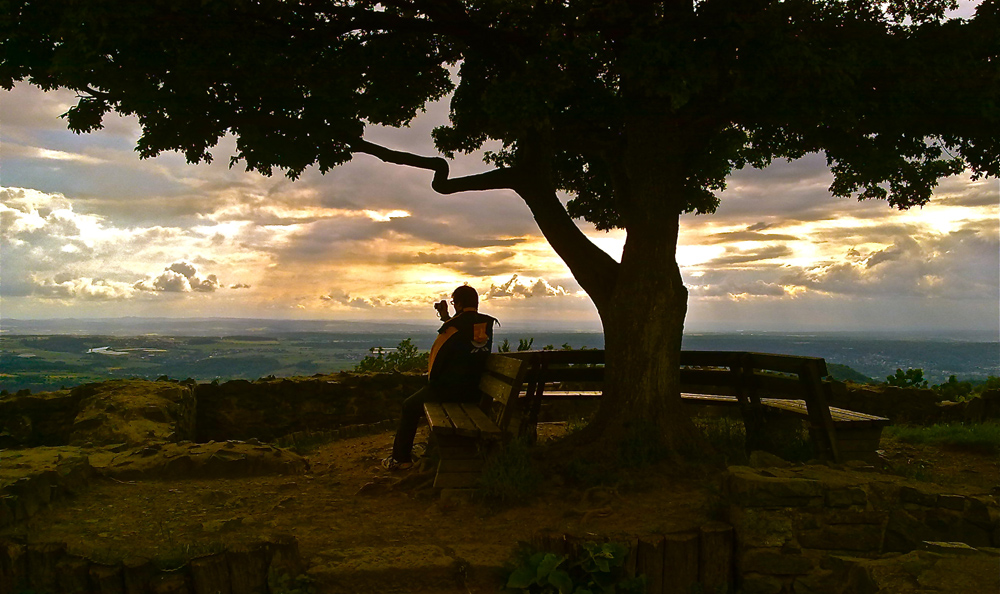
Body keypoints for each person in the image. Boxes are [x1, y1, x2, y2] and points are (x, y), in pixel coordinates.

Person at [381, 285, 498, 470]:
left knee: (409, 406)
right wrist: (446, 318)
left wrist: (432, 383)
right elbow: (465, 335)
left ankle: (400, 459)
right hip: (474, 392)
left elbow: (436, 362)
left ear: (458, 303)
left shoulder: (453, 327)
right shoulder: (485, 325)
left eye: (454, 303)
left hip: (449, 391)